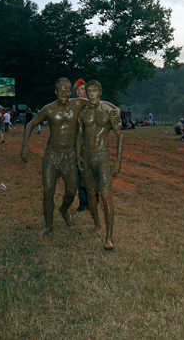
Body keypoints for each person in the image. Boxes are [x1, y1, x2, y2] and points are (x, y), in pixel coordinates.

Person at [21, 78, 94, 236]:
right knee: (48, 191)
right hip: (52, 156)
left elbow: (97, 103)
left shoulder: (78, 104)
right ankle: (49, 226)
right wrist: (25, 145)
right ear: (55, 92)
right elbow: (30, 125)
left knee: (71, 191)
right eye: (61, 91)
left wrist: (113, 110)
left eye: (67, 91)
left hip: (70, 156)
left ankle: (63, 209)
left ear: (70, 91)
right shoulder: (49, 109)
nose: (64, 94)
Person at [76, 80, 123, 250]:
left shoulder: (109, 111)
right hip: (87, 156)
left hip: (102, 155)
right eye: (89, 91)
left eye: (95, 90)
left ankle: (109, 237)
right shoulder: (83, 111)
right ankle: (97, 225)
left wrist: (118, 159)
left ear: (100, 92)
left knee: (105, 195)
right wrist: (78, 156)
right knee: (90, 193)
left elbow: (119, 136)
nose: (92, 94)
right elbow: (80, 136)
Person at [73, 78, 89, 212]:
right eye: (78, 89)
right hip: (77, 142)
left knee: (91, 172)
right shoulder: (73, 105)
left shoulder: (91, 105)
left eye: (82, 89)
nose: (80, 91)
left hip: (90, 142)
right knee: (79, 172)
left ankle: (93, 198)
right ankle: (83, 201)